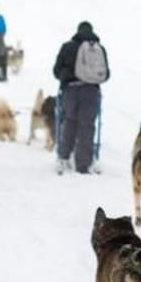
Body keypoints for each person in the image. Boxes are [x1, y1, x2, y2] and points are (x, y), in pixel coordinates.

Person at [52, 21, 110, 175]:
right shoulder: (99, 49)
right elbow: (106, 74)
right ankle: (83, 164)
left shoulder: (68, 47)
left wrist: (67, 75)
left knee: (69, 121)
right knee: (87, 125)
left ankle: (64, 157)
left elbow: (56, 71)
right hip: (91, 92)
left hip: (71, 91)